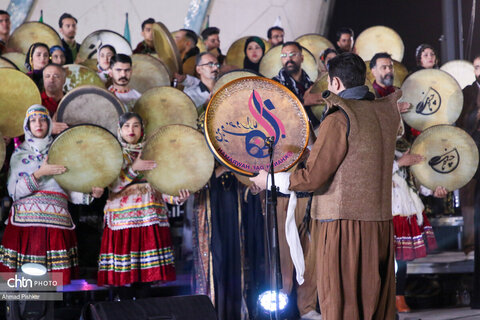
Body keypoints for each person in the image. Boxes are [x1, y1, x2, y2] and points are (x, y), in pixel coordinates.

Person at [252, 52, 401, 320]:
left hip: (344, 225)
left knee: (344, 304)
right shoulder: (385, 113)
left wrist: (269, 180)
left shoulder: (339, 117)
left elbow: (312, 177)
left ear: (334, 83)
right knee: (376, 305)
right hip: (380, 223)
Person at [0, 105, 104, 285]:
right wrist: (39, 173)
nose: (38, 124)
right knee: (26, 288)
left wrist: (91, 192)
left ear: (49, 123)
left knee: (53, 289)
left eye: (42, 119)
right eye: (33, 120)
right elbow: (14, 192)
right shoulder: (20, 154)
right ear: (27, 126)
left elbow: (71, 191)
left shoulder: (62, 152)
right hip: (25, 227)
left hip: (57, 225)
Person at [97, 112, 189, 287]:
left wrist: (176, 198)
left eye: (135, 125)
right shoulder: (112, 153)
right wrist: (134, 169)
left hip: (150, 219)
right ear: (119, 130)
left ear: (142, 129)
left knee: (148, 282)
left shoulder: (153, 152)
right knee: (125, 282)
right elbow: (112, 186)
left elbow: (161, 186)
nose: (131, 130)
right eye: (126, 126)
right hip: (123, 222)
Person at [456, 54, 480, 256]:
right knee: (469, 203)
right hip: (470, 152)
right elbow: (461, 123)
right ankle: (470, 245)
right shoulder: (468, 92)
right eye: (477, 67)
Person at [272, 41, 324, 127]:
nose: (289, 59)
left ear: (302, 58)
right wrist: (303, 102)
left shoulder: (312, 86)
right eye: (284, 55)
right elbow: (274, 113)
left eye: (293, 54)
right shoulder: (274, 84)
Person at [41, 64, 69, 134]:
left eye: (56, 76)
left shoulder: (72, 101)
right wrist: (48, 129)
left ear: (64, 80)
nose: (51, 80)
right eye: (47, 76)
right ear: (43, 80)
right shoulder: (36, 101)